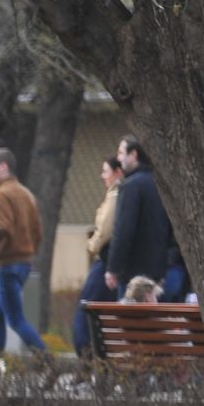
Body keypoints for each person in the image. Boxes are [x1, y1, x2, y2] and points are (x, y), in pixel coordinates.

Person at [0, 147, 46, 353]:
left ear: (4, 167)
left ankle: (47, 360)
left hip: (8, 264)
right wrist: (29, 252)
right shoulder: (26, 193)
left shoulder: (1, 194)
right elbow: (38, 231)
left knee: (15, 320)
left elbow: (2, 228)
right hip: (24, 263)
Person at [106, 136, 173, 303]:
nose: (118, 158)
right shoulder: (160, 184)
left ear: (133, 154)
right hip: (158, 272)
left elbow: (123, 230)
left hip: (132, 274)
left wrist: (113, 268)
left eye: (121, 153)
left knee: (129, 323)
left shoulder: (130, 186)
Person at [73, 157, 123, 358]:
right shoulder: (118, 193)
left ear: (117, 172)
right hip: (111, 261)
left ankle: (86, 359)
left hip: (105, 261)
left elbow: (104, 231)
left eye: (105, 171)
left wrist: (91, 245)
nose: (102, 176)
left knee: (85, 310)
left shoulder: (116, 195)